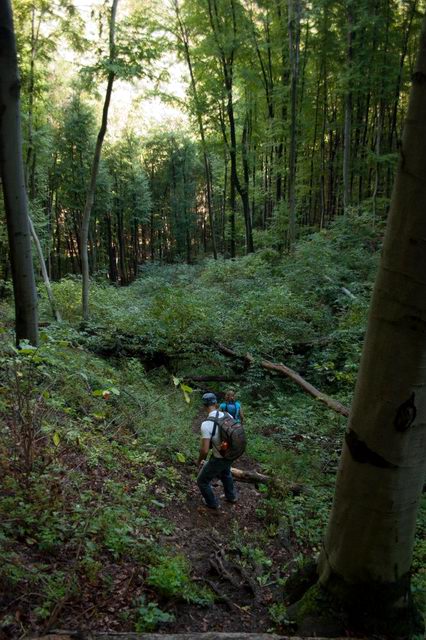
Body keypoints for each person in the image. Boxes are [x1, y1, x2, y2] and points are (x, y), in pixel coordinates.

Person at [196, 392, 237, 510]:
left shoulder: (206, 424)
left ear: (204, 406)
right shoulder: (228, 415)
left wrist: (199, 461)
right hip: (231, 454)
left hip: (219, 457)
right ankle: (232, 496)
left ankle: (212, 503)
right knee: (226, 473)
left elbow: (204, 450)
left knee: (202, 481)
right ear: (216, 403)